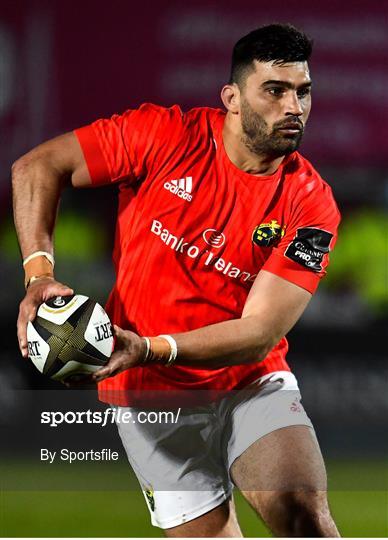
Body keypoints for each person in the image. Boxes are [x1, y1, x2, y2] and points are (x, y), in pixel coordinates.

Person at [13, 24, 341, 537]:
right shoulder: (163, 135)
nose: (293, 106)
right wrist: (38, 276)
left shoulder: (311, 203)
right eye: (275, 91)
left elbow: (258, 333)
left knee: (304, 517)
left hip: (246, 384)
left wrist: (146, 347)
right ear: (232, 98)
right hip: (146, 398)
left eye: (303, 91)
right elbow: (37, 167)